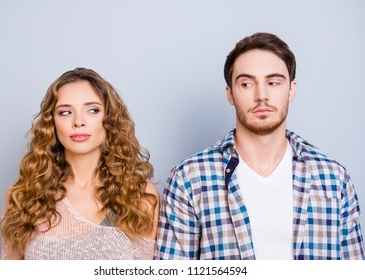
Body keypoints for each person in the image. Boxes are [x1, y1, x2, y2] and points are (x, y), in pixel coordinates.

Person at [155, 32, 364, 260]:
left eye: (273, 83)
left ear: (291, 89)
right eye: (246, 84)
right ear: (230, 94)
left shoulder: (333, 179)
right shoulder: (190, 179)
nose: (261, 95)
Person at [0, 68, 159, 260]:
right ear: (52, 123)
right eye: (65, 112)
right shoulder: (23, 196)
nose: (78, 122)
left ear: (109, 119)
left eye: (92, 110)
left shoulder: (140, 196)